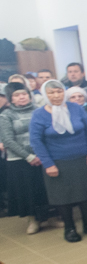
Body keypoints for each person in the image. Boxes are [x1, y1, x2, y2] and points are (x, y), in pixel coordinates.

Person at [30, 80, 87, 242]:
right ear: (45, 95)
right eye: (51, 93)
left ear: (64, 92)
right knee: (63, 198)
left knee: (86, 194)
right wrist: (48, 164)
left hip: (83, 159)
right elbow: (36, 141)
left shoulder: (75, 108)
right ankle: (69, 228)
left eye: (59, 91)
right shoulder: (39, 114)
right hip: (57, 163)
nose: (56, 95)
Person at [0, 83, 49, 234]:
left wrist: (41, 155)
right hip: (20, 160)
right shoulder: (5, 115)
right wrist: (28, 156)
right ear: (11, 99)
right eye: (16, 95)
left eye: (24, 94)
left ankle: (50, 217)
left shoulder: (39, 111)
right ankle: (33, 220)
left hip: (43, 157)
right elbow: (8, 140)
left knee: (45, 189)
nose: (21, 97)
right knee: (27, 191)